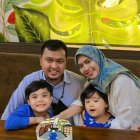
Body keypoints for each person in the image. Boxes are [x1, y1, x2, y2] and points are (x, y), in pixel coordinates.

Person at [1, 40, 86, 123]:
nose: (54, 66)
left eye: (60, 61)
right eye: (49, 60)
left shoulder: (80, 82)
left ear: (66, 62)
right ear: (40, 60)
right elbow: (7, 116)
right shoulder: (29, 80)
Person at [71, 45, 140, 129]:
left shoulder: (122, 81)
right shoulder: (94, 81)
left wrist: (98, 129)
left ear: (98, 59)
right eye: (81, 66)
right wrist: (61, 116)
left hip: (132, 130)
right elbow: (80, 102)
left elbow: (126, 121)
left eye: (88, 61)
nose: (85, 68)